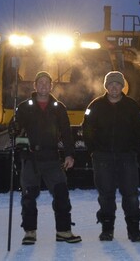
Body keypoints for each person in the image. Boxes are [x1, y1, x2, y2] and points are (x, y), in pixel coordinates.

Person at [9, 71, 82, 245]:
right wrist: (13, 129)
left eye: (46, 83)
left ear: (51, 86)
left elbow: (66, 133)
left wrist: (69, 154)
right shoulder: (24, 107)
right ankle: (30, 232)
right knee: (29, 196)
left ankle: (64, 231)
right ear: (35, 85)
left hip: (52, 158)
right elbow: (16, 132)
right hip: (30, 159)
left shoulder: (58, 107)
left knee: (61, 194)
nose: (43, 85)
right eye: (40, 82)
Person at [82, 71, 140, 242]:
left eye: (117, 84)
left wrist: (133, 150)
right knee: (106, 196)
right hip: (102, 159)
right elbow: (87, 129)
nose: (114, 87)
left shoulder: (132, 106)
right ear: (106, 86)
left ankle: (134, 230)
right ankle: (107, 229)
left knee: (131, 195)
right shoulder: (95, 106)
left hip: (127, 158)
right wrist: (94, 150)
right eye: (110, 84)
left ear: (122, 86)